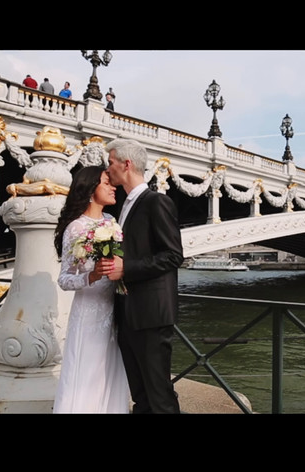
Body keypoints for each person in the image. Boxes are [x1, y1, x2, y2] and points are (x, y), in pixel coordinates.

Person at [103, 138, 183, 414]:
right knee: (140, 395)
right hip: (129, 312)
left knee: (159, 396)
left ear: (126, 164)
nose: (107, 168)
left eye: (110, 162)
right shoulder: (124, 206)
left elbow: (173, 256)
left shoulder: (156, 202)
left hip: (150, 315)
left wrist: (127, 269)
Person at [52, 165, 130, 413]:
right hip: (88, 315)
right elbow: (64, 279)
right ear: (89, 187)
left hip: (114, 311)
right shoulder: (76, 227)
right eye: (107, 183)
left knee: (110, 374)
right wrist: (93, 274)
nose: (113, 187)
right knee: (86, 376)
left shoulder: (111, 222)